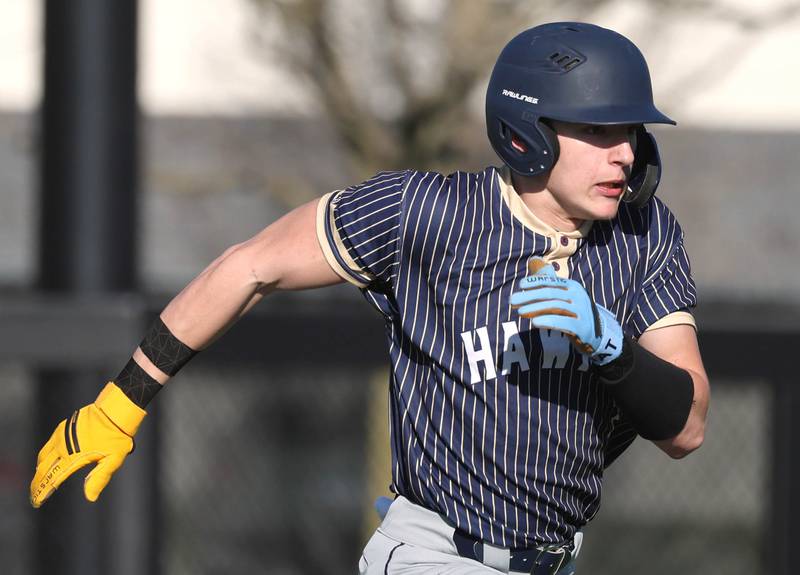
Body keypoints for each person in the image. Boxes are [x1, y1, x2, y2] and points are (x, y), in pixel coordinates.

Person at [30, 21, 709, 575]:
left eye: (630, 131)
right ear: (526, 129)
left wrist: (611, 343)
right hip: (435, 554)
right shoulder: (426, 213)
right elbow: (251, 267)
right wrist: (122, 401)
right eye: (597, 129)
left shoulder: (644, 236)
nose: (623, 153)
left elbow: (688, 426)